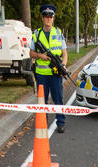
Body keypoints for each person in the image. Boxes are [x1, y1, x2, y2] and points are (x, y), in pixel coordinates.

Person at [29, 4, 68, 133]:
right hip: (41, 74)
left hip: (55, 73)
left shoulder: (58, 32)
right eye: (46, 16)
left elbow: (64, 53)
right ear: (42, 18)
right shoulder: (36, 34)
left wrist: (63, 65)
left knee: (58, 98)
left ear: (53, 18)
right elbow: (31, 53)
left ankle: (60, 122)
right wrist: (40, 55)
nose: (48, 19)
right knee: (42, 100)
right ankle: (43, 122)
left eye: (50, 16)